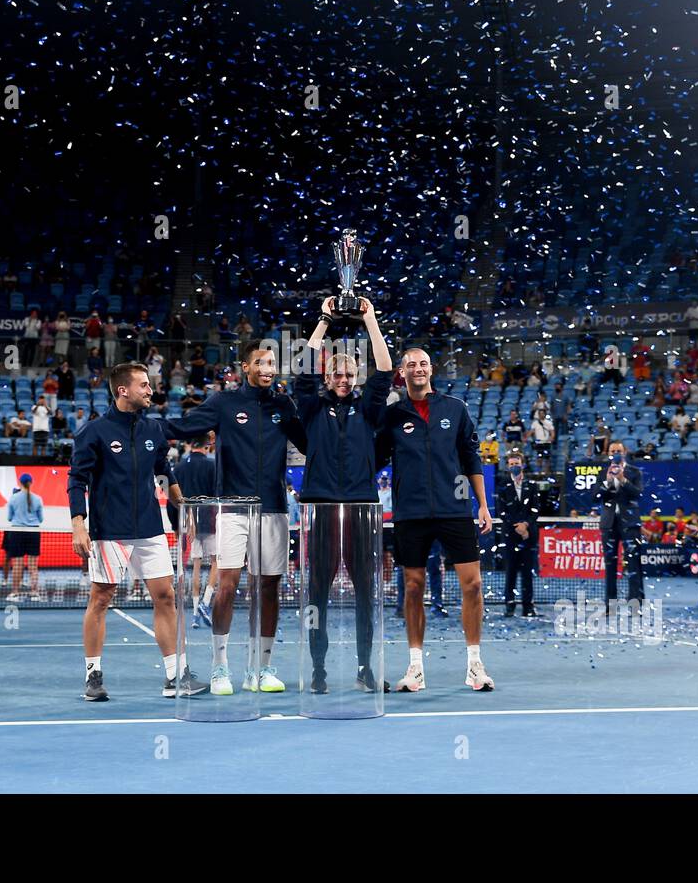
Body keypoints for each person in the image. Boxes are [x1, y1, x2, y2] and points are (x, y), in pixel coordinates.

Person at [163, 340, 308, 696]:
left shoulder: (283, 404)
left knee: (268, 588)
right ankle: (219, 667)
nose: (267, 369)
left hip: (273, 509)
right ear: (245, 367)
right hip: (233, 507)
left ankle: (262, 668)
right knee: (227, 584)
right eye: (259, 362)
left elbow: (309, 444)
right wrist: (137, 427)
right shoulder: (223, 403)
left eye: (272, 362)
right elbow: (181, 427)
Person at [68, 363, 206, 701]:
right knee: (100, 599)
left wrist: (180, 502)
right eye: (144, 385)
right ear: (123, 390)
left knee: (166, 597)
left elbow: (163, 468)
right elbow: (76, 481)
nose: (150, 390)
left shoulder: (154, 430)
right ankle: (93, 675)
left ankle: (175, 676)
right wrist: (78, 525)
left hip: (149, 528)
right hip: (108, 531)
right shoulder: (93, 433)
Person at [375, 347, 495, 693]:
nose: (418, 369)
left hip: (455, 509)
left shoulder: (455, 409)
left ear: (432, 368)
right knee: (413, 587)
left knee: (472, 585)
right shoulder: (394, 415)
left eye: (423, 363)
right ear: (402, 372)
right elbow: (375, 457)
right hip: (410, 512)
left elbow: (471, 458)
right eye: (411, 364)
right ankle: (415, 668)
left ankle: (475, 664)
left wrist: (482, 505)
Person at [293, 296, 393, 694]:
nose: (343, 379)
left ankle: (366, 667)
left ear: (355, 378)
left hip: (361, 510)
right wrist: (324, 320)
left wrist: (370, 320)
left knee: (366, 593)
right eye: (337, 373)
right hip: (318, 508)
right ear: (327, 376)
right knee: (316, 594)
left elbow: (385, 368)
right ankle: (317, 669)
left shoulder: (368, 409)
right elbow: (301, 368)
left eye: (350, 374)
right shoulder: (311, 408)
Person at [174, 434, 220, 629]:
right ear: (207, 446)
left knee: (196, 565)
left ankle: (194, 614)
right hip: (209, 519)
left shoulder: (180, 466)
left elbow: (176, 496)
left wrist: (183, 523)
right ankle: (205, 602)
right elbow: (217, 494)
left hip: (190, 521)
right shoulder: (212, 466)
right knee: (217, 561)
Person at [591, 441, 645, 604]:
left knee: (634, 563)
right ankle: (610, 601)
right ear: (608, 452)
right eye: (613, 450)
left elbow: (637, 494)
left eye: (618, 451)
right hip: (609, 524)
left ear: (625, 452)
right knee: (610, 564)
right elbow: (595, 497)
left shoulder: (634, 472)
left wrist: (623, 480)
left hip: (630, 524)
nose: (616, 453)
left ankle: (636, 601)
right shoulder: (602, 473)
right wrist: (607, 482)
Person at [498, 450, 540, 619]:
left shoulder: (532, 486)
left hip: (528, 536)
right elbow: (502, 512)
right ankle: (509, 605)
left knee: (527, 572)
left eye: (517, 463)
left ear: (522, 465)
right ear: (508, 467)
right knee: (511, 571)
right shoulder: (503, 487)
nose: (515, 466)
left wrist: (525, 525)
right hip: (511, 536)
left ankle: (528, 606)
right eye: (512, 464)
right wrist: (517, 526)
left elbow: (535, 510)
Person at [4, 473, 44, 603]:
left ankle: (15, 593)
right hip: (33, 532)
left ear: (20, 483)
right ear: (31, 483)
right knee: (33, 566)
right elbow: (41, 519)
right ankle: (34, 593)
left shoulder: (13, 498)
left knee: (17, 565)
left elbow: (9, 518)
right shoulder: (38, 499)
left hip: (17, 532)